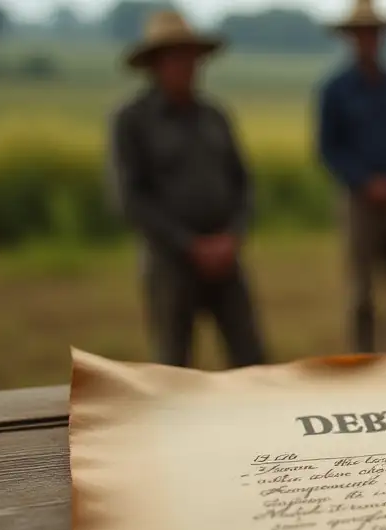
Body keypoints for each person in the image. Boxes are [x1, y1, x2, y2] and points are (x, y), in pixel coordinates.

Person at [107, 10, 267, 369]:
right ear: (155, 65)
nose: (187, 66)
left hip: (226, 257)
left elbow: (243, 183)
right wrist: (190, 245)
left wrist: (232, 237)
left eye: (191, 57)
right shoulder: (131, 121)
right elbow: (129, 198)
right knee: (173, 368)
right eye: (175, 57)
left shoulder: (215, 116)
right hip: (170, 264)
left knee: (252, 361)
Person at [317, 0, 386, 354]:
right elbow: (328, 148)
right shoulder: (335, 91)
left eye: (374, 34)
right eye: (362, 34)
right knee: (362, 291)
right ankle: (363, 361)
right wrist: (364, 181)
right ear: (350, 39)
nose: (368, 40)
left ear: (382, 37)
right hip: (358, 200)